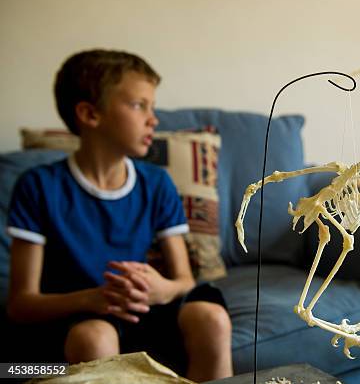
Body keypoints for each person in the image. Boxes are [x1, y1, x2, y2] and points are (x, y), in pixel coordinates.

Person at [6, 49, 233, 381]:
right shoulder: (38, 187)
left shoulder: (156, 183)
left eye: (152, 106)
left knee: (211, 318)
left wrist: (160, 289)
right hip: (79, 315)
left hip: (146, 309)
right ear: (89, 114)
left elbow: (184, 279)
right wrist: (93, 298)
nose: (153, 119)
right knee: (94, 339)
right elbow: (20, 304)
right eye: (139, 105)